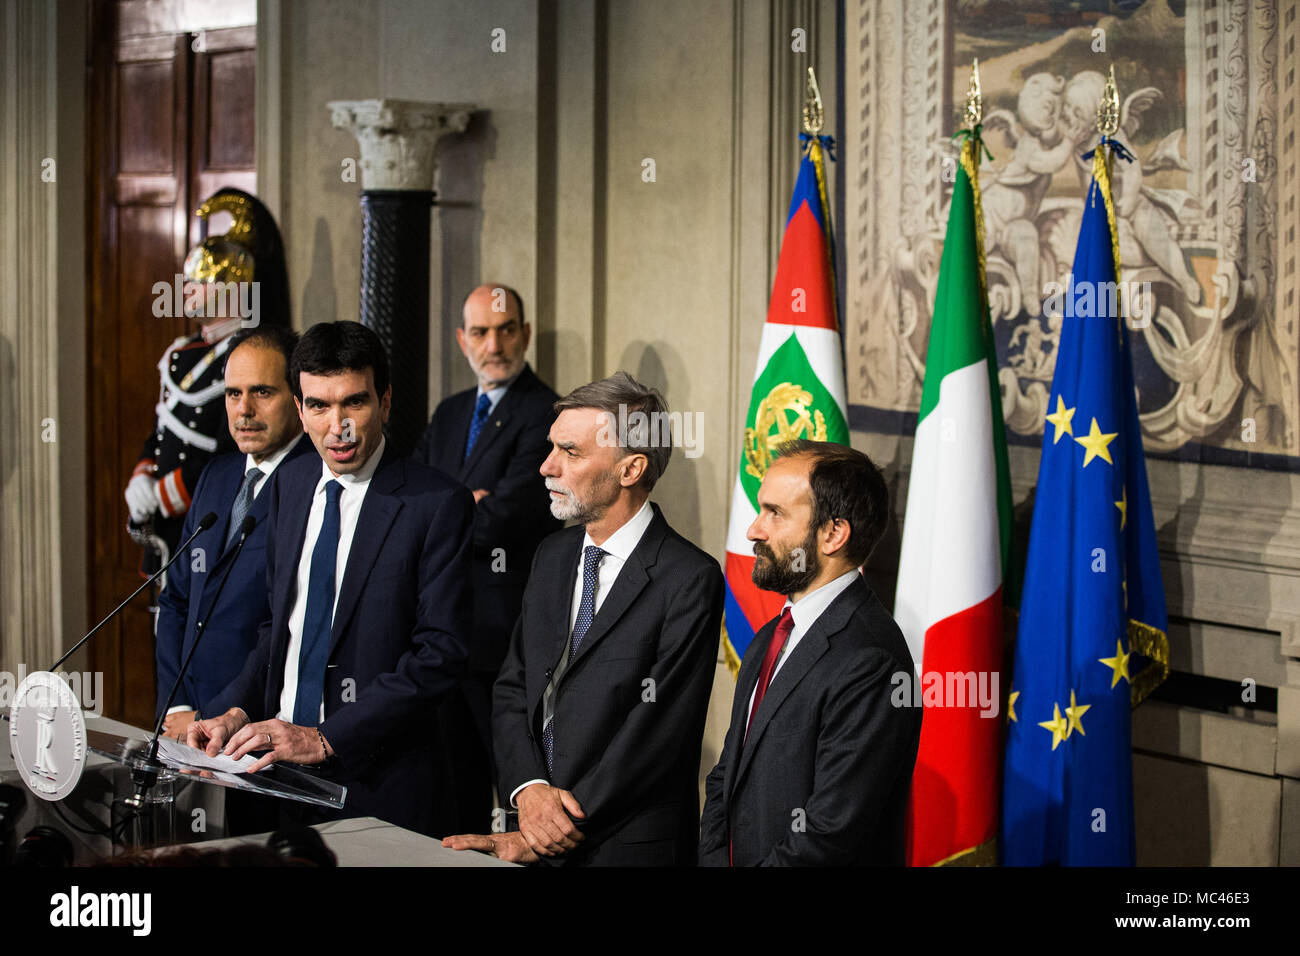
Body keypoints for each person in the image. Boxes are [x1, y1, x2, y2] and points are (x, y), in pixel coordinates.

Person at [188, 321, 474, 836]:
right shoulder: (291, 485)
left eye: (354, 403)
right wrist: (235, 709)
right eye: (319, 406)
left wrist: (324, 738)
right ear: (299, 410)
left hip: (378, 785)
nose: (336, 425)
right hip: (275, 778)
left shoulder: (435, 504)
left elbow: (440, 656)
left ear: (384, 403)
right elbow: (278, 631)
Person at [443, 372, 723, 865]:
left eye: (570, 452)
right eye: (552, 448)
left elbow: (655, 734)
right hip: (528, 825)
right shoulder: (551, 554)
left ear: (630, 469)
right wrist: (528, 791)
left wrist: (549, 829)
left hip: (620, 846)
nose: (546, 467)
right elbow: (513, 686)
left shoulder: (689, 578)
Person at [698, 440, 921, 866]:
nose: (753, 530)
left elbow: (831, 833)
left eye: (775, 513)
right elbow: (726, 777)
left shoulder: (872, 660)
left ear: (833, 534)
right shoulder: (771, 635)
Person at [413, 283, 561, 832]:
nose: (493, 344)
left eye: (505, 330)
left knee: (512, 784)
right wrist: (467, 503)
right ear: (462, 339)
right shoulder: (450, 412)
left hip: (502, 634)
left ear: (524, 334)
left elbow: (506, 517)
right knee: (452, 782)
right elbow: (408, 503)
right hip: (437, 627)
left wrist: (450, 507)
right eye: (480, 332)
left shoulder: (548, 410)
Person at [154, 325, 311, 739]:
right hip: (185, 729)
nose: (243, 410)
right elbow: (175, 601)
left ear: (297, 400)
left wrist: (215, 714)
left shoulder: (315, 487)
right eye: (232, 393)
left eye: (262, 392)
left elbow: (285, 628)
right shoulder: (216, 477)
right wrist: (179, 705)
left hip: (258, 732)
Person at [125, 189, 290, 580]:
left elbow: (233, 447)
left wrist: (166, 494)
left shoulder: (251, 354)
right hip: (162, 528)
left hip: (208, 517)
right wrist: (142, 478)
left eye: (198, 282)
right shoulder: (182, 353)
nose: (186, 291)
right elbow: (162, 433)